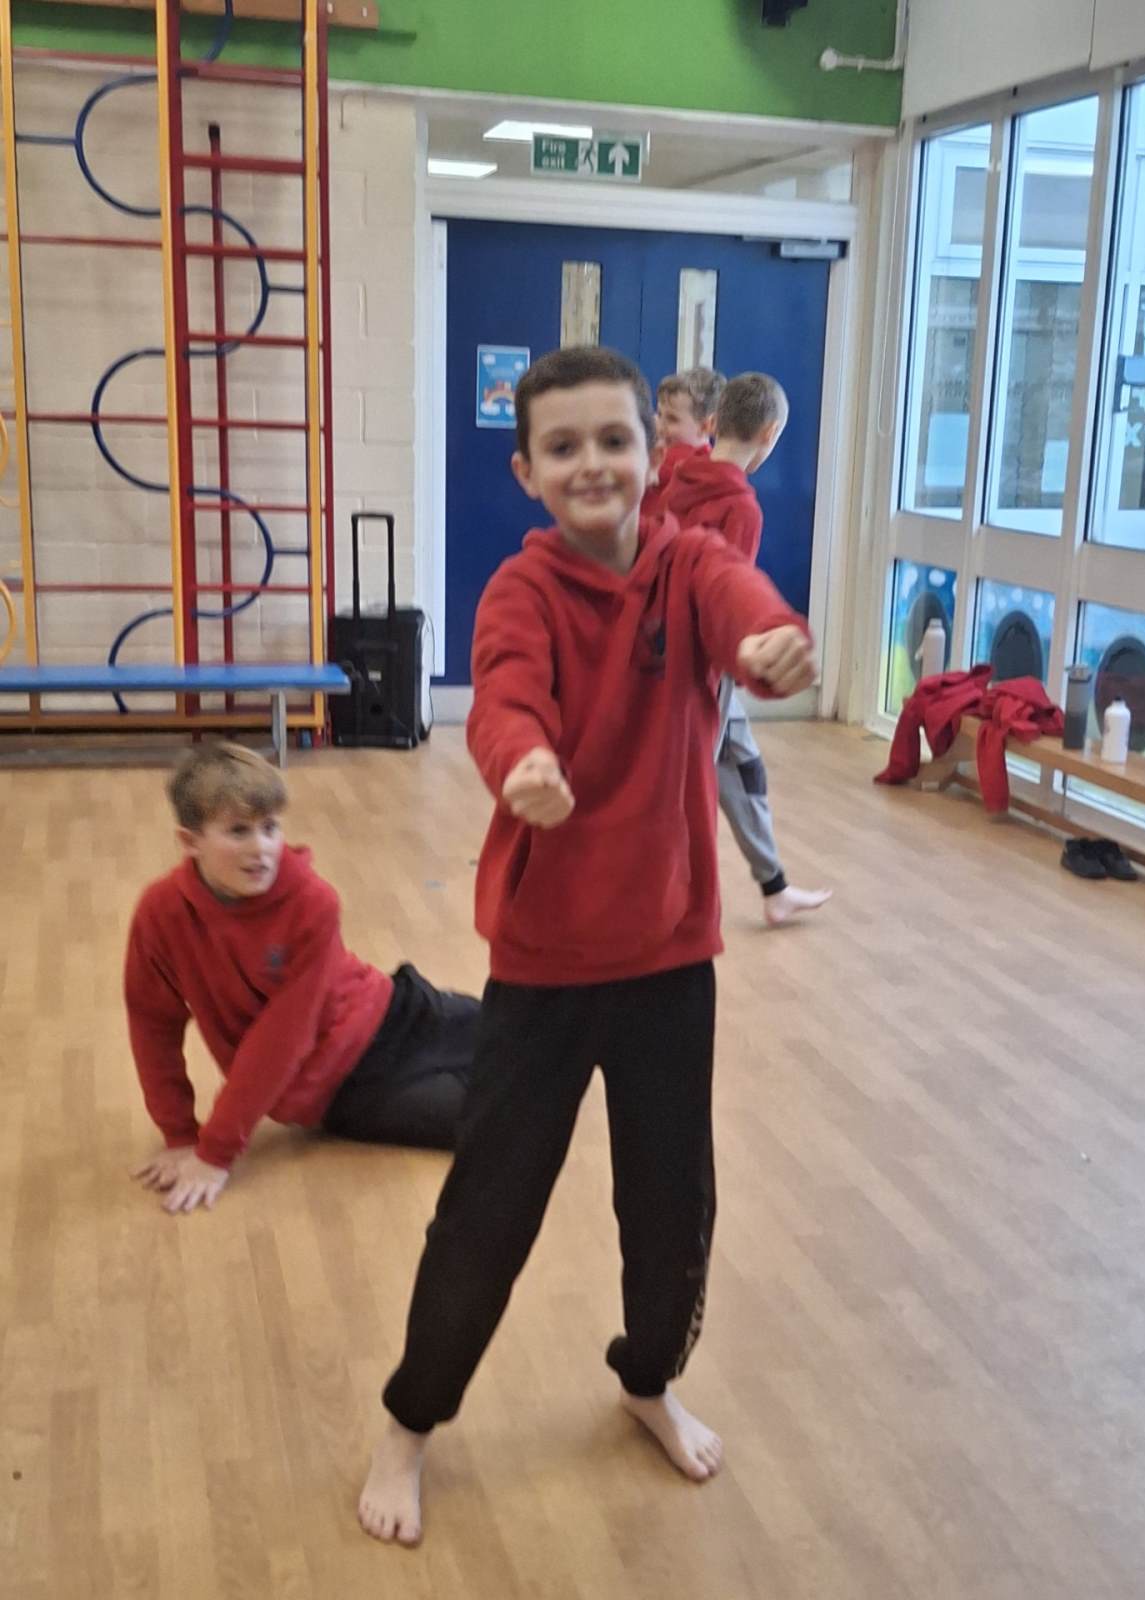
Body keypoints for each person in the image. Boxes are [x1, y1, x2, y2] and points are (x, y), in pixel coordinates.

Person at [357, 346, 817, 1546]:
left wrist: (771, 639)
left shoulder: (688, 562)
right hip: (548, 967)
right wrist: (521, 757)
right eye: (563, 447)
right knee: (491, 1205)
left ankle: (648, 1378)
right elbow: (504, 693)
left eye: (615, 439)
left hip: (669, 955)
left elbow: (741, 603)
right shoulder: (523, 590)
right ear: (527, 471)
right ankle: (410, 1420)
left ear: (655, 453)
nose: (593, 464)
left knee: (673, 1202)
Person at [125, 742, 479, 1214]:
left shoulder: (313, 900)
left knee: (533, 1029)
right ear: (190, 842)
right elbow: (154, 1024)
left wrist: (213, 1149)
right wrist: (183, 1137)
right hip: (344, 1089)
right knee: (504, 1118)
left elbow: (286, 1032)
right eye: (238, 831)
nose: (261, 848)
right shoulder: (160, 914)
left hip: (393, 1012)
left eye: (270, 828)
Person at [665, 372, 832, 926]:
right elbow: (727, 595)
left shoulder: (679, 478)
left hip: (684, 662)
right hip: (703, 672)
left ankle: (774, 887)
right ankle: (665, 901)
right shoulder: (741, 508)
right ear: (770, 433)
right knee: (688, 784)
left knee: (741, 768)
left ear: (713, 423)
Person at [641, 365, 725, 518]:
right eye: (659, 414)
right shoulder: (715, 464)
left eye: (672, 419)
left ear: (707, 425)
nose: (659, 425)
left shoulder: (675, 461)